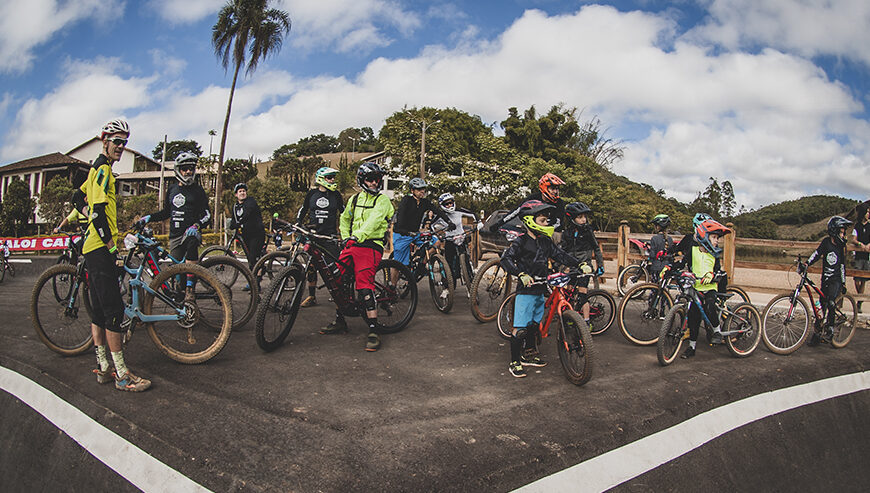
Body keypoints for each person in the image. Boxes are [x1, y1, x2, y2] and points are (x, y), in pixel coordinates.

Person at [79, 119, 150, 391]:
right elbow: (97, 214)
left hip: (91, 248)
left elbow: (78, 198)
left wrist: (86, 220)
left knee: (98, 312)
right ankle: (121, 374)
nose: (121, 147)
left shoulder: (96, 169)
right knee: (114, 312)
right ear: (104, 140)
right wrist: (113, 250)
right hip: (99, 248)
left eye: (125, 142)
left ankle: (104, 367)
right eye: (117, 141)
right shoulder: (103, 170)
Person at [500, 200, 581, 378]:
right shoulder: (520, 241)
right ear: (529, 220)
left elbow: (560, 255)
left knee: (534, 325)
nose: (547, 224)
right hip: (526, 291)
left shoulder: (545, 241)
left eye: (546, 221)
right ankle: (515, 361)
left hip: (540, 289)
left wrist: (580, 264)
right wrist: (520, 274)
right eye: (543, 220)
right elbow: (506, 260)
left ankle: (529, 353)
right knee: (520, 328)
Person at [321, 162, 395, 352]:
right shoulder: (354, 199)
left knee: (363, 284)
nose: (374, 183)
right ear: (362, 181)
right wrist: (346, 238)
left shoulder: (382, 201)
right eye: (370, 179)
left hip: (371, 245)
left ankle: (373, 330)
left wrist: (357, 236)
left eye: (377, 179)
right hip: (352, 243)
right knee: (336, 279)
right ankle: (340, 320)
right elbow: (345, 219)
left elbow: (375, 220)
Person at [135, 152, 210, 301]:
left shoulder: (198, 190)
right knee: (177, 279)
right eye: (185, 168)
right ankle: (184, 304)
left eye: (191, 168)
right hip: (174, 236)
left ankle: (190, 290)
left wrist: (196, 225)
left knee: (192, 242)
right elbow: (166, 212)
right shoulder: (172, 190)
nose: (189, 171)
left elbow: (207, 214)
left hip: (190, 234)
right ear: (178, 170)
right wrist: (148, 218)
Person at [680, 217, 732, 359]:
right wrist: (669, 268)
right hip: (696, 288)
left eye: (717, 238)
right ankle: (692, 347)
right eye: (714, 237)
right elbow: (683, 263)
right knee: (693, 319)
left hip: (710, 288)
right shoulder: (693, 251)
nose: (716, 241)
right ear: (704, 236)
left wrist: (712, 274)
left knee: (709, 306)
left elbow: (717, 270)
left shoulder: (714, 255)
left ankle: (716, 331)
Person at [296, 167, 344, 307]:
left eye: (333, 177)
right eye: (330, 177)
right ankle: (311, 296)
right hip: (313, 235)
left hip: (330, 236)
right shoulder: (311, 194)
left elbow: (344, 213)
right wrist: (299, 223)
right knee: (311, 266)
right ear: (321, 179)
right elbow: (303, 209)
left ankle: (339, 294)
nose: (333, 180)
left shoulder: (336, 195)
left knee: (334, 267)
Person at [391, 177, 455, 279]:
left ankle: (421, 265)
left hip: (416, 234)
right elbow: (400, 220)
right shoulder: (406, 201)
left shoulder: (424, 202)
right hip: (402, 234)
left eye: (423, 189)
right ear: (412, 190)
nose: (422, 191)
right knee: (398, 265)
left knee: (436, 243)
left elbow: (437, 210)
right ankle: (392, 288)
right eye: (419, 189)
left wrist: (449, 222)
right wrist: (406, 232)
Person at [805, 216, 853, 344]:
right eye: (842, 232)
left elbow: (842, 265)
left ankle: (831, 328)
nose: (843, 236)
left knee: (831, 302)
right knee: (821, 307)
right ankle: (817, 334)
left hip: (835, 280)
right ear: (835, 231)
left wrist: (843, 282)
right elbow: (817, 254)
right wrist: (807, 263)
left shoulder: (841, 247)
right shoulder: (826, 242)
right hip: (825, 279)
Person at [560, 202, 604, 325]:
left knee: (582, 295)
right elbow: (563, 251)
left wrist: (600, 265)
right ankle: (572, 317)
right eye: (580, 217)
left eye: (584, 217)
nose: (584, 220)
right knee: (569, 293)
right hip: (572, 266)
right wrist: (562, 266)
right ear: (572, 219)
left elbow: (596, 248)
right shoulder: (567, 233)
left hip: (585, 267)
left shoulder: (588, 231)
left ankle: (586, 322)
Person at [491, 173, 567, 241]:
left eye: (557, 189)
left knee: (555, 237)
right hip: (533, 231)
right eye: (552, 188)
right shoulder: (533, 198)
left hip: (551, 232)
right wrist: (498, 224)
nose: (555, 191)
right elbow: (516, 211)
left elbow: (558, 222)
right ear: (544, 187)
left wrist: (544, 229)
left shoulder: (559, 203)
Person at [431, 192, 482, 287]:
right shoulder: (440, 215)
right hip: (450, 240)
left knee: (466, 263)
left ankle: (471, 286)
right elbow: (432, 225)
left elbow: (473, 214)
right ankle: (448, 287)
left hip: (461, 238)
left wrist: (479, 223)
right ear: (442, 205)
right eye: (447, 204)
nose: (450, 205)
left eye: (451, 203)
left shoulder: (459, 210)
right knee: (448, 264)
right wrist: (436, 235)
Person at [229, 182, 266, 286]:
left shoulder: (250, 201)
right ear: (236, 194)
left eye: (244, 191)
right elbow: (234, 219)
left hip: (256, 233)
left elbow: (247, 213)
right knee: (250, 259)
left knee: (254, 257)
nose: (242, 193)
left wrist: (238, 223)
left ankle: (255, 283)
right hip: (246, 235)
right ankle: (254, 278)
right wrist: (232, 225)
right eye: (240, 191)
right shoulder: (235, 206)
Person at [849, 204, 870, 312]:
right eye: (867, 212)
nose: (868, 214)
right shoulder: (857, 226)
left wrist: (868, 245)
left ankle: (859, 302)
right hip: (858, 256)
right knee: (856, 279)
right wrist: (860, 244)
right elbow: (853, 239)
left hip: (867, 257)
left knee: (864, 280)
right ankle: (859, 298)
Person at [648, 214, 674, 279]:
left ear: (658, 227)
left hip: (656, 266)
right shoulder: (670, 239)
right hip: (666, 266)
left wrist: (649, 261)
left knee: (655, 286)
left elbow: (652, 254)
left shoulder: (654, 238)